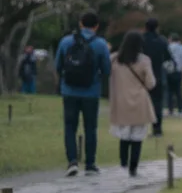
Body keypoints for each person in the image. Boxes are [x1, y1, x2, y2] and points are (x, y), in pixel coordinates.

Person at [55, 12, 112, 176]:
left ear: (80, 24)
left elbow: (58, 65)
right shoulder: (101, 44)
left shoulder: (66, 41)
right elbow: (107, 69)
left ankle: (72, 161)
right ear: (96, 26)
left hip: (69, 91)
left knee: (70, 127)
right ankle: (90, 164)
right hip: (91, 92)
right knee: (90, 128)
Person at [108, 31, 157, 177]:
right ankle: (133, 168)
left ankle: (123, 163)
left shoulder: (114, 59)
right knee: (137, 136)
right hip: (139, 102)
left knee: (124, 135)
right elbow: (151, 83)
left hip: (121, 102)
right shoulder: (144, 60)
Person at [141, 18, 170, 135]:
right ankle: (157, 128)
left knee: (142, 101)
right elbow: (168, 57)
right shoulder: (162, 40)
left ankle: (140, 127)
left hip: (142, 75)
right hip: (158, 74)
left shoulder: (141, 40)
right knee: (157, 103)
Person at [166, 34, 182, 116]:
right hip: (178, 71)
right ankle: (180, 110)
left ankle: (170, 110)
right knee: (178, 91)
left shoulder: (168, 47)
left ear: (170, 39)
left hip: (168, 71)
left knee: (169, 92)